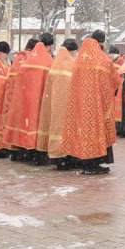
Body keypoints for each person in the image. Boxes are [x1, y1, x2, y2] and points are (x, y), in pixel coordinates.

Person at [60, 31, 121, 175]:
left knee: (82, 130)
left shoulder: (80, 58)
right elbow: (114, 80)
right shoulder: (102, 59)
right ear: (101, 42)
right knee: (95, 131)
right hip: (96, 105)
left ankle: (83, 162)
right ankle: (94, 163)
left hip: (79, 103)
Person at [1, 36, 53, 160]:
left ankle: (19, 150)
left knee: (22, 124)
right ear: (49, 46)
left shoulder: (24, 60)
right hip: (37, 98)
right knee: (35, 123)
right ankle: (34, 153)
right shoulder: (46, 60)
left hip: (19, 98)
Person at [36, 38, 77, 166]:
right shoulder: (69, 63)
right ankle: (64, 156)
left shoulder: (56, 62)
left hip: (54, 101)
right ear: (72, 51)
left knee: (55, 125)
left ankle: (56, 156)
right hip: (66, 103)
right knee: (64, 127)